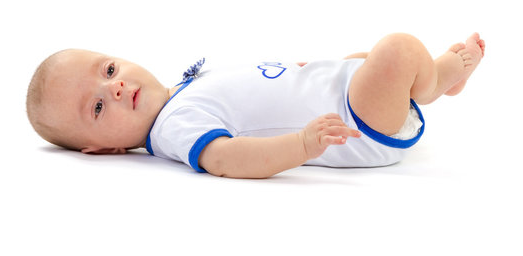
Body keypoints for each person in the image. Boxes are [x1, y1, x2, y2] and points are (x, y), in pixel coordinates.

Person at [26, 33, 485, 179]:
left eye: (108, 72)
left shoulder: (181, 93)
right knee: (398, 50)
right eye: (98, 109)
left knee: (362, 60)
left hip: (345, 94)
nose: (118, 89)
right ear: (103, 150)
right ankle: (436, 79)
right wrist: (302, 144)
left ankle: (429, 82)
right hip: (356, 127)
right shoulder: (174, 128)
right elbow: (226, 159)